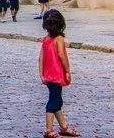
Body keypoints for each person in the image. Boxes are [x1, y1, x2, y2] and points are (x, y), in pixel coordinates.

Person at [39, 9, 79, 137]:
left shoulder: (45, 39)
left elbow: (41, 58)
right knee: (53, 102)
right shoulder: (59, 39)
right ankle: (48, 129)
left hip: (48, 75)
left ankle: (64, 127)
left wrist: (41, 74)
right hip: (56, 75)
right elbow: (62, 55)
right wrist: (67, 70)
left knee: (57, 100)